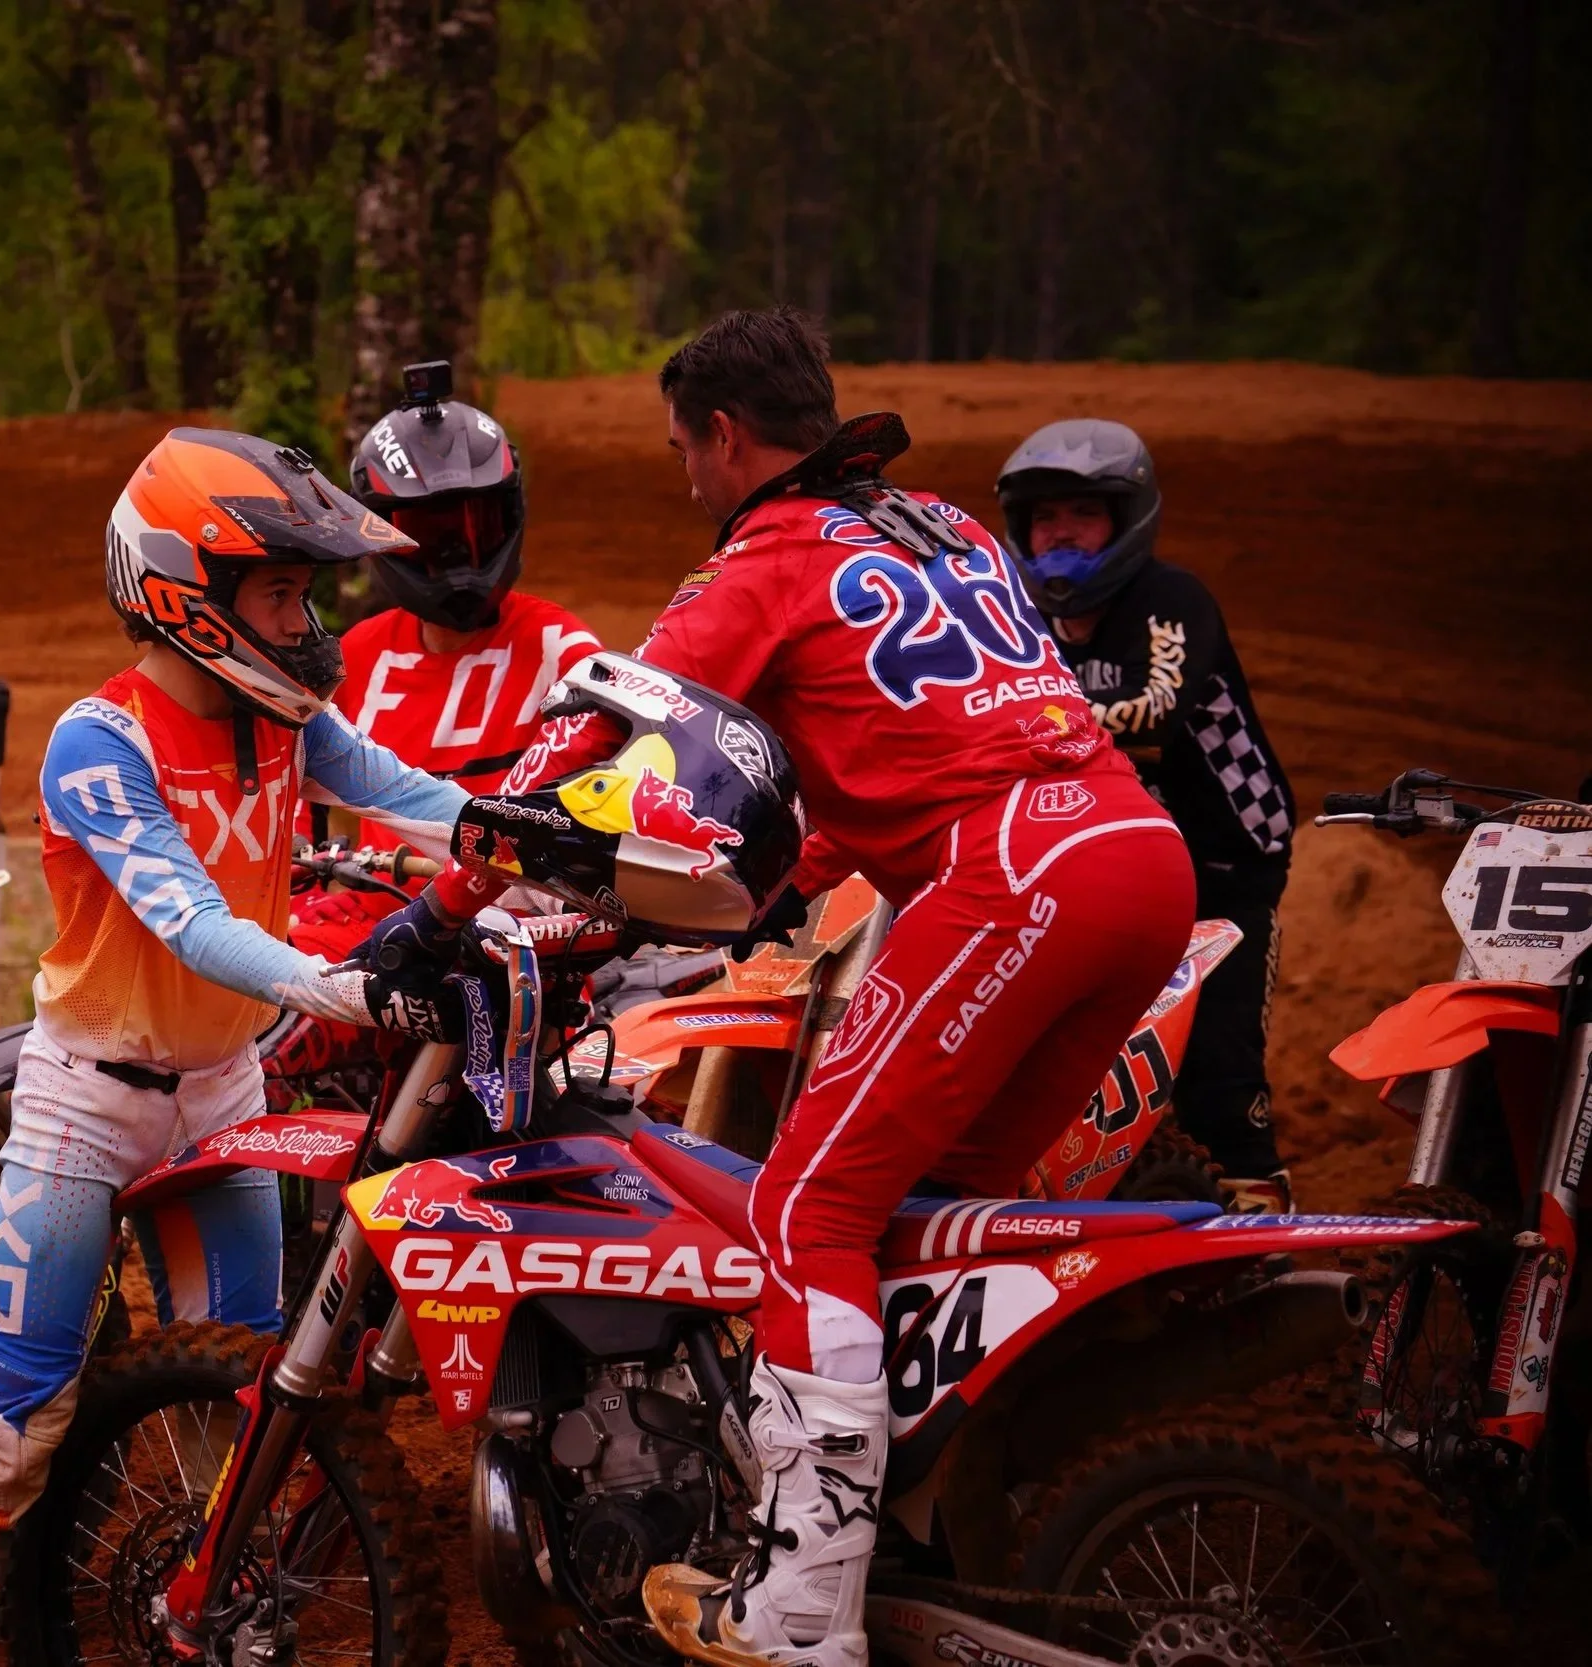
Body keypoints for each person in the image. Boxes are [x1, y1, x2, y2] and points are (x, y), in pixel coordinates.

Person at [398, 308, 1195, 1667]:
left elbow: (590, 735)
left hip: (1011, 870)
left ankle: (803, 1609)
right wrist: (746, 896)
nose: (682, 479)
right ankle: (927, 1536)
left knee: (807, 1209)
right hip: (1140, 857)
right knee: (928, 1216)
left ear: (722, 435)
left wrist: (442, 905)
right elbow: (914, 751)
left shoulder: (765, 556)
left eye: (677, 451)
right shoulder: (943, 524)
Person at [0, 428, 479, 1667]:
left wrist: (546, 827)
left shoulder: (285, 720)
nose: (306, 624)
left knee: (241, 1407)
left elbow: (413, 789)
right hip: (87, 1100)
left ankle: (214, 1629)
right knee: (11, 1423)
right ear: (183, 587)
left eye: (306, 593)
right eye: (281, 591)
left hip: (224, 1090)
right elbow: (187, 918)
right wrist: (338, 984)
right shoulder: (102, 740)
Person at [996, 420, 1296, 1212]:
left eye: (1081, 517)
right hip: (1110, 859)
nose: (1059, 536)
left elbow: (1153, 706)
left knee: (1218, 1062)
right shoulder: (1030, 619)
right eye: (1044, 519)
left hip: (1225, 855)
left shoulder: (1171, 598)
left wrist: (1024, 718)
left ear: (1124, 523)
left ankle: (1255, 1201)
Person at [286, 361, 599, 961]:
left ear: (509, 517)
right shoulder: (354, 657)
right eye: (430, 533)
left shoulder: (566, 654)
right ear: (381, 534)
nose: (458, 555)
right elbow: (297, 831)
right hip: (372, 924)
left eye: (476, 528)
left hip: (515, 943)